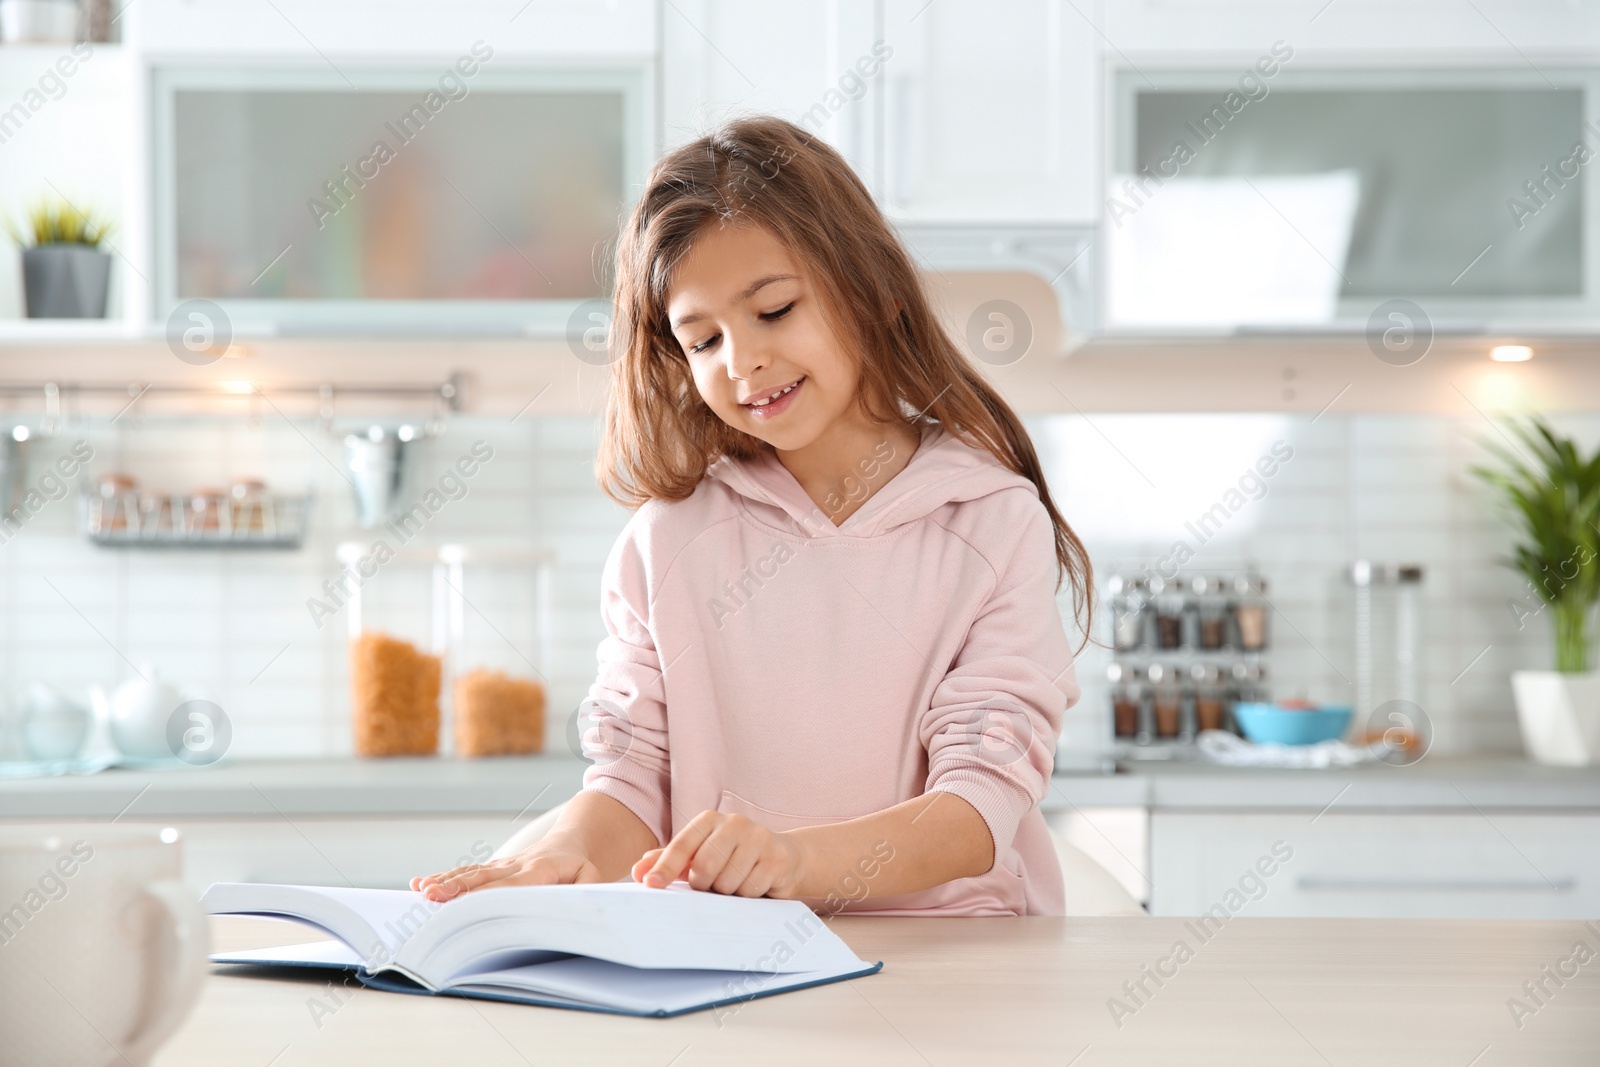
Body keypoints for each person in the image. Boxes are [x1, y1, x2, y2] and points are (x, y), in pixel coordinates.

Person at [413, 115, 1092, 916]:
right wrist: (560, 853)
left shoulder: (989, 522)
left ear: (865, 283)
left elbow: (979, 808)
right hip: (738, 965)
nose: (743, 363)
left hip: (959, 963)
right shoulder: (666, 542)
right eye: (702, 341)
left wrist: (790, 860)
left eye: (773, 310)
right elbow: (632, 785)